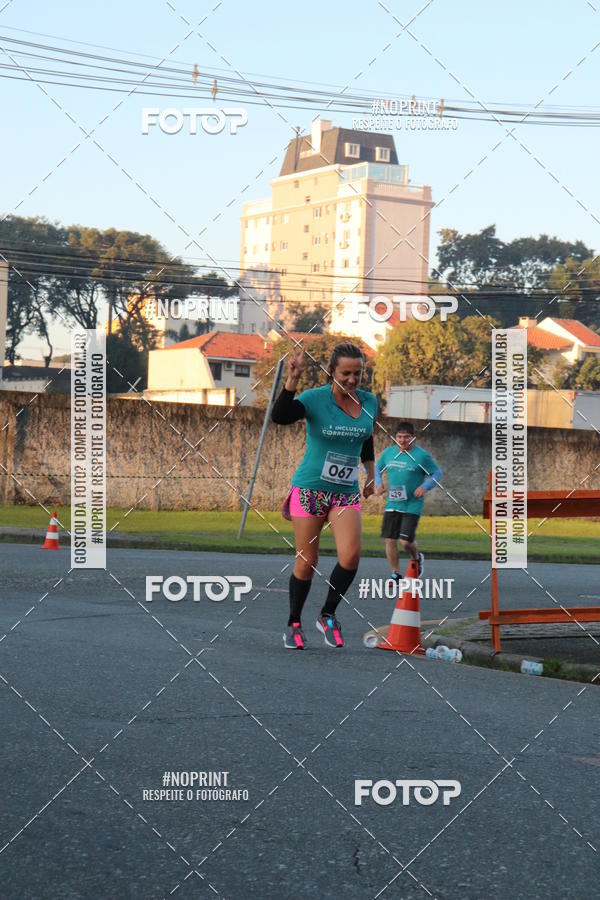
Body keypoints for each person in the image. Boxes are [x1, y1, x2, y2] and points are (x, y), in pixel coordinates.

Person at [271, 341, 377, 650]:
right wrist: (291, 380)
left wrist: (371, 473)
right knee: (307, 561)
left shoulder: (369, 401)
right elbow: (280, 416)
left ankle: (327, 615)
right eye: (346, 373)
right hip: (310, 490)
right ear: (332, 371)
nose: (352, 380)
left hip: (345, 492)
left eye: (358, 373)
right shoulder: (315, 399)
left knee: (351, 556)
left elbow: (366, 438)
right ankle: (293, 623)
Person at [375, 423, 442, 585]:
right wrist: (378, 483)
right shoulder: (389, 453)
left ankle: (417, 558)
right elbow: (377, 467)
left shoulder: (421, 456)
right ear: (395, 438)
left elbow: (437, 473)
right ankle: (395, 574)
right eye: (399, 437)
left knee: (405, 542)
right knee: (390, 540)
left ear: (413, 438)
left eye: (406, 437)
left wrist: (424, 487)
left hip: (412, 504)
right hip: (393, 502)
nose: (403, 440)